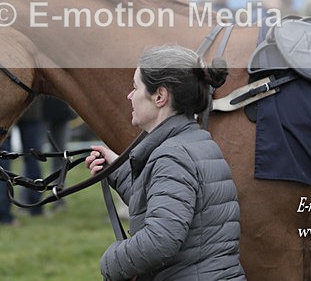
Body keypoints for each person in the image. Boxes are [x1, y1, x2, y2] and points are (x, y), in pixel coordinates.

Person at [85, 44, 245, 281]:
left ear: (160, 96)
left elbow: (160, 240)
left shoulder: (172, 156)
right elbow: (166, 204)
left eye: (135, 87)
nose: (130, 95)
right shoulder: (195, 142)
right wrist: (117, 170)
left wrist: (110, 260)